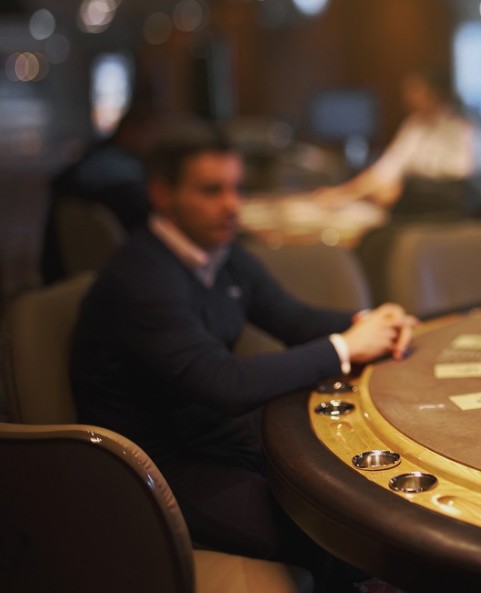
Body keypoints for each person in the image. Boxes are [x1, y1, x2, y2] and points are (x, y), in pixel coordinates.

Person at [70, 118, 417, 591]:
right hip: (157, 469)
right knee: (342, 532)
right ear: (162, 194)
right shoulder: (141, 278)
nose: (232, 205)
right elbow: (224, 383)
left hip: (222, 441)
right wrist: (345, 347)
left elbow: (292, 318)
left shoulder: (220, 252)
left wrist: (369, 321)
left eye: (236, 188)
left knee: (366, 503)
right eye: (212, 191)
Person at [318, 69, 479, 217]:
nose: (408, 97)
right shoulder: (414, 125)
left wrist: (402, 189)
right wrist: (341, 194)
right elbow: (384, 170)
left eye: (415, 90)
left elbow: (459, 174)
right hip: (409, 210)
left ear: (435, 93)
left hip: (445, 214)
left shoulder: (460, 127)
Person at [41, 106, 158, 283]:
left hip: (65, 266)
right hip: (114, 269)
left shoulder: (97, 156)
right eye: (151, 133)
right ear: (130, 132)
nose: (154, 141)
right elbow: (146, 218)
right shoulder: (117, 170)